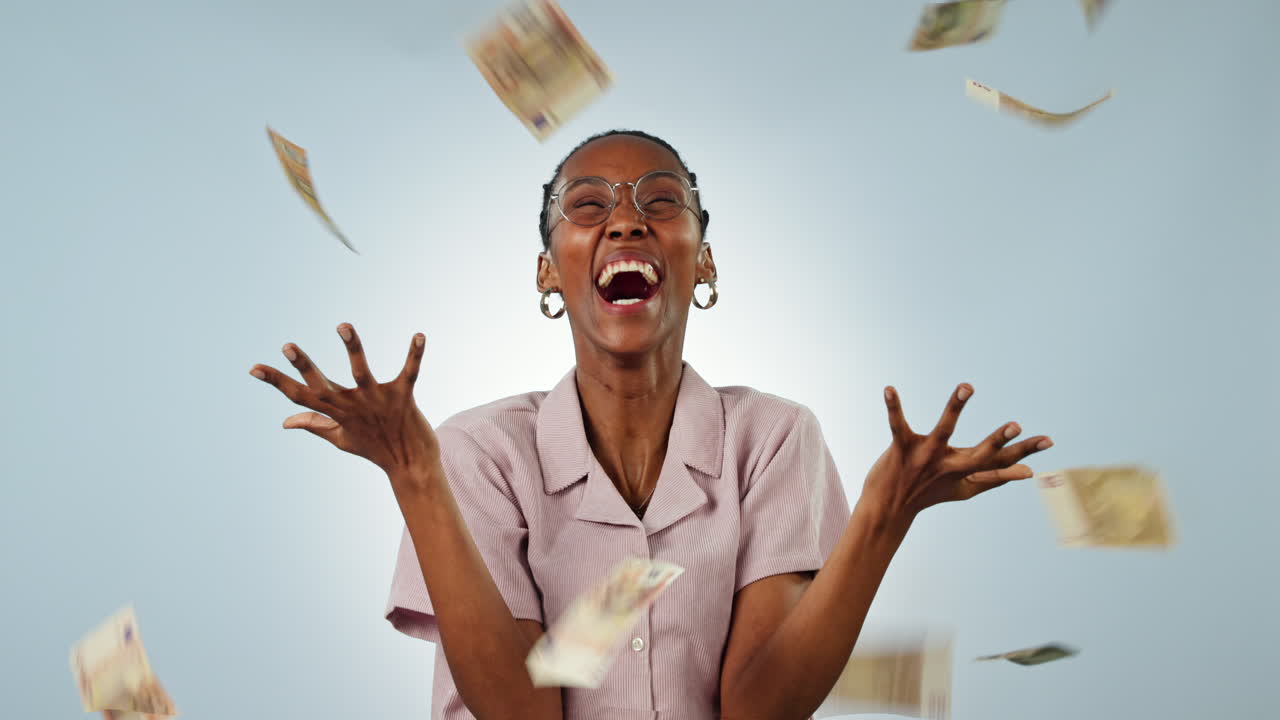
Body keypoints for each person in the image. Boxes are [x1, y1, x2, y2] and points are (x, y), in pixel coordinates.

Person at [248, 130, 1053, 720]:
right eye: (588, 205)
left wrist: (883, 514)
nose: (627, 223)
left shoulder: (774, 438)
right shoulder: (477, 450)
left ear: (702, 261)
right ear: (547, 273)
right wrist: (415, 474)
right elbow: (520, 717)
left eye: (661, 203)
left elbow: (757, 711)